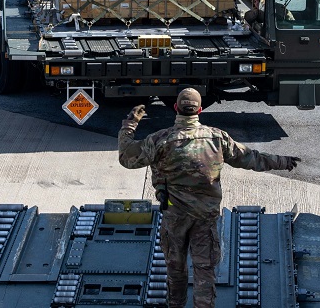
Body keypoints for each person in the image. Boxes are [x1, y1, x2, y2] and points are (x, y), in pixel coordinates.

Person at [117, 88, 301, 308]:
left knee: (175, 270)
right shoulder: (217, 138)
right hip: (205, 218)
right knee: (205, 272)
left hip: (174, 218)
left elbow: (127, 158)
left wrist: (129, 125)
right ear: (200, 110)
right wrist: (282, 162)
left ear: (176, 108)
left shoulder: (160, 140)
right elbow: (250, 158)